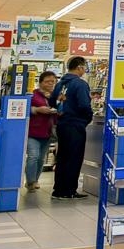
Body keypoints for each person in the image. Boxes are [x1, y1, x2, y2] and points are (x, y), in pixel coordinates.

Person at [50, 56, 93, 199]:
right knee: (74, 157)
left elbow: (52, 101)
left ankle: (58, 189)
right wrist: (87, 118)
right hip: (75, 124)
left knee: (62, 157)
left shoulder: (60, 83)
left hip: (62, 123)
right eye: (84, 67)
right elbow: (84, 105)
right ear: (80, 67)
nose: (85, 70)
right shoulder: (80, 84)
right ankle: (69, 190)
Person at [25, 71, 58, 191]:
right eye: (47, 81)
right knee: (33, 156)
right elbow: (24, 109)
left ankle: (35, 180)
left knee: (41, 159)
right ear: (40, 82)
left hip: (47, 133)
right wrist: (37, 109)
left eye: (53, 81)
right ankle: (30, 181)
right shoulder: (33, 95)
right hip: (33, 132)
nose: (50, 84)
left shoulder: (55, 97)